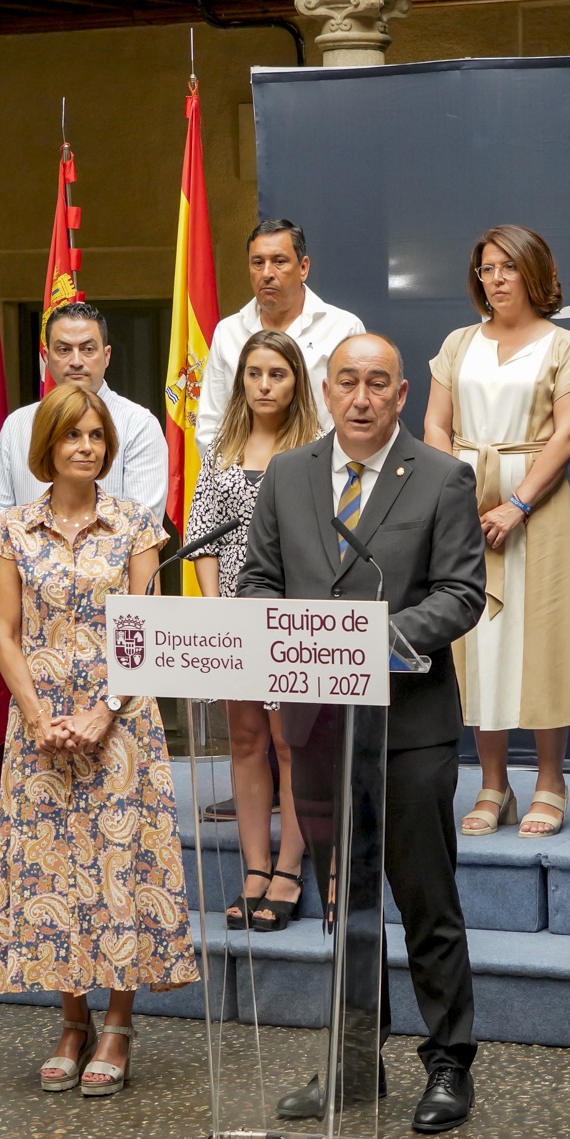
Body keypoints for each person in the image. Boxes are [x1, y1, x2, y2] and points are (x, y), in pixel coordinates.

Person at [240, 333, 488, 1133]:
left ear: (402, 392)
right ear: (328, 386)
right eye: (345, 381)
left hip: (408, 727)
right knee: (343, 905)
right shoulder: (288, 474)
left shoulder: (444, 477)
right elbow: (256, 581)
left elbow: (459, 593)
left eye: (376, 383)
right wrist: (279, 629)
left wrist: (370, 641)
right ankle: (354, 1067)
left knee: (424, 900)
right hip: (316, 728)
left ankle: (449, 1066)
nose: (359, 397)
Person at [0, 382, 199, 1095]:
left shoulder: (137, 524)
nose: (86, 447)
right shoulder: (12, 528)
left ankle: (117, 1023)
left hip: (121, 726)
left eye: (97, 437)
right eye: (73, 435)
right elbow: (3, 635)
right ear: (46, 446)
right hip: (40, 731)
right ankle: (71, 1021)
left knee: (119, 871)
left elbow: (146, 631)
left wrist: (104, 711)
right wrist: (40, 715)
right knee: (52, 871)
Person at [425, 225, 570, 839]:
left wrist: (517, 505)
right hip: (464, 503)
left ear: (534, 271)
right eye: (485, 268)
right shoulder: (457, 343)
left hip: (538, 507)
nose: (494, 278)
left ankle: (550, 781)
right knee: (480, 641)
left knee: (544, 638)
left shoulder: (565, 345)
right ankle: (493, 784)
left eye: (506, 266)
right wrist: (453, 499)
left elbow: (568, 433)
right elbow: (435, 425)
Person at [187, 329, 323, 931]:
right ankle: (255, 869)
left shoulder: (318, 448)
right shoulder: (221, 447)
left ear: (297, 382)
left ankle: (290, 871)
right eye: (254, 374)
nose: (265, 385)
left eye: (277, 374)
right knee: (245, 743)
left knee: (292, 745)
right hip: (233, 622)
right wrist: (215, 612)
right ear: (240, 381)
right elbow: (202, 534)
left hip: (290, 621)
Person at [0, 301, 168, 541]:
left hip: (110, 576)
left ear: (107, 355)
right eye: (64, 350)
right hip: (29, 574)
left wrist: (74, 564)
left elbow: (143, 526)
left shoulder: (139, 424)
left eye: (88, 349)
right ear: (46, 356)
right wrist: (41, 560)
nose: (76, 361)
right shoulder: (17, 424)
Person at [196, 218, 365, 459]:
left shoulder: (343, 329)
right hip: (245, 480)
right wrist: (235, 481)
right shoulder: (228, 331)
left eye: (279, 262)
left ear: (303, 267)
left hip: (323, 477)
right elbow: (212, 422)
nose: (267, 273)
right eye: (257, 263)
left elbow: (356, 415)